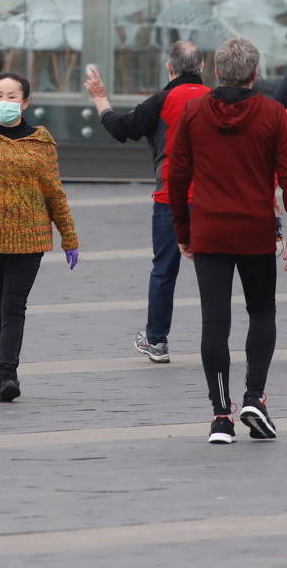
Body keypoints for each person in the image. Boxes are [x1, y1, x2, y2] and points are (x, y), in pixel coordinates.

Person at [168, 37, 287, 445]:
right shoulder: (272, 113)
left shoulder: (194, 112)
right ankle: (254, 397)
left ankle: (220, 416)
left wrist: (182, 229)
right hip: (256, 229)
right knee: (262, 310)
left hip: (209, 229)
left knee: (215, 321)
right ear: (255, 73)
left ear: (215, 71)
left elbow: (177, 176)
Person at [0, 72, 79, 403]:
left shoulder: (41, 143)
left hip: (29, 236)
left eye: (11, 96)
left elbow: (54, 192)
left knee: (13, 306)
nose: (4, 102)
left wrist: (69, 237)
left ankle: (7, 374)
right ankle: (3, 369)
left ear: (25, 103)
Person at [84, 42, 208, 365]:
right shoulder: (216, 101)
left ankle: (157, 341)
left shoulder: (162, 101)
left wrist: (100, 98)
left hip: (171, 196)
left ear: (170, 67)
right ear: (204, 67)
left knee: (165, 269)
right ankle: (215, 339)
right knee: (213, 270)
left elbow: (121, 129)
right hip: (212, 198)